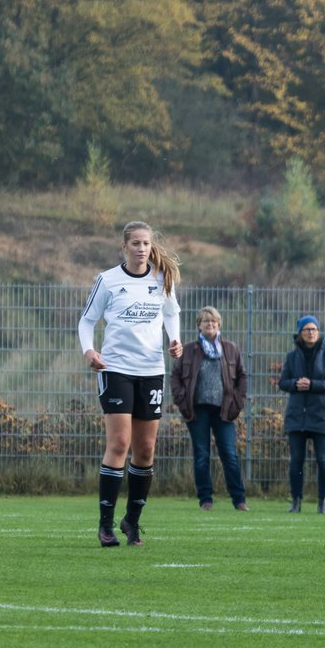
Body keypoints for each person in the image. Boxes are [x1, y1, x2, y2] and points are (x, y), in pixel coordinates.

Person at [78, 220, 182, 547]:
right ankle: (105, 525)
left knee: (146, 450)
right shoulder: (108, 280)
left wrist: (175, 340)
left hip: (151, 370)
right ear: (124, 247)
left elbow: (172, 312)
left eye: (146, 243)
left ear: (152, 247)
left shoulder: (162, 278)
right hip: (116, 369)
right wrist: (90, 349)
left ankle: (131, 521)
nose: (141, 248)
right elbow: (87, 320)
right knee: (120, 445)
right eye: (135, 243)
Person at [170, 306, 249, 512]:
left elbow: (242, 376)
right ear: (199, 325)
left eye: (213, 321)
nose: (210, 324)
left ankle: (239, 500)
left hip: (225, 410)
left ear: (219, 324)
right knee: (202, 455)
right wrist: (181, 400)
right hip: (197, 411)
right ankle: (205, 499)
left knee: (229, 455)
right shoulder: (188, 350)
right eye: (206, 321)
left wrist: (238, 403)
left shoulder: (231, 348)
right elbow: (175, 377)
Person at [278, 315, 325, 513]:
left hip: (321, 416)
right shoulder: (292, 356)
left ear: (319, 331)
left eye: (314, 329)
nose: (311, 332)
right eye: (306, 329)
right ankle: (296, 501)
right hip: (296, 416)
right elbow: (283, 382)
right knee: (296, 460)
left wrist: (313, 385)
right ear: (300, 333)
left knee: (323, 460)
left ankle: (323, 500)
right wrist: (296, 384)